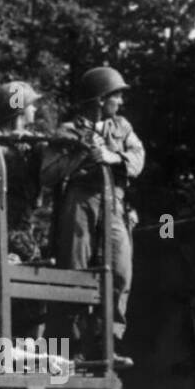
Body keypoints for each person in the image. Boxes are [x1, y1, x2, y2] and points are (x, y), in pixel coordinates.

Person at [40, 66, 145, 342]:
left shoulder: (122, 127)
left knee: (121, 271)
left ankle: (107, 339)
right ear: (100, 99)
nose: (120, 102)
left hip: (113, 202)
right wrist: (81, 152)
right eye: (116, 96)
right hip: (80, 202)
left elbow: (138, 157)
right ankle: (73, 343)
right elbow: (48, 174)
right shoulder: (68, 131)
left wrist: (111, 157)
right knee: (74, 270)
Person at [0, 80, 46, 263]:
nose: (34, 109)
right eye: (30, 105)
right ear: (19, 109)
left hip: (22, 222)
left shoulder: (33, 142)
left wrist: (35, 144)